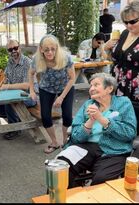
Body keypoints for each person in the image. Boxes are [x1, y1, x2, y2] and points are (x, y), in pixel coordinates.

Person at [57, 73, 137, 188]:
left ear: (109, 88)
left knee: (101, 181)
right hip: (86, 147)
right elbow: (76, 136)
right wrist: (90, 121)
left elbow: (129, 133)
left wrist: (102, 119)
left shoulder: (124, 103)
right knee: (60, 166)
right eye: (90, 86)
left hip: (114, 151)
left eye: (96, 85)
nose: (91, 89)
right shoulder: (88, 104)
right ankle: (70, 197)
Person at [29, 34, 75, 154]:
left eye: (53, 49)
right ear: (41, 49)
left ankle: (65, 141)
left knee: (67, 116)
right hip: (46, 88)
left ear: (57, 48)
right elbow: (31, 73)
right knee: (45, 116)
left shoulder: (66, 58)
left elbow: (72, 78)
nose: (49, 52)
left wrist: (61, 97)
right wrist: (32, 90)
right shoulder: (37, 59)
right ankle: (54, 142)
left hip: (65, 87)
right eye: (46, 49)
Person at [105, 0, 139, 135]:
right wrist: (106, 48)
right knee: (118, 122)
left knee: (134, 125)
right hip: (118, 85)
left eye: (133, 22)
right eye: (125, 22)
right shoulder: (124, 34)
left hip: (135, 89)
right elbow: (113, 59)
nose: (128, 25)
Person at [0, 39, 41, 140]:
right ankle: (15, 122)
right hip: (16, 94)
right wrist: (1, 82)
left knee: (9, 103)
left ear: (19, 48)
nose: (13, 51)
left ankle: (16, 129)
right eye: (10, 49)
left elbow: (27, 85)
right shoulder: (10, 62)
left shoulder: (28, 63)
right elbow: (6, 77)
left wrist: (7, 86)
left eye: (15, 48)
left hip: (31, 96)